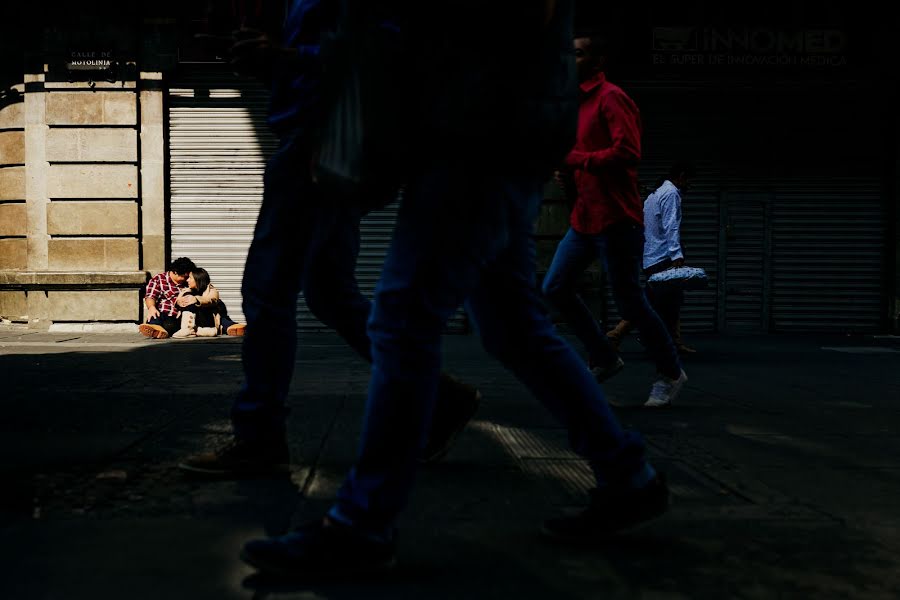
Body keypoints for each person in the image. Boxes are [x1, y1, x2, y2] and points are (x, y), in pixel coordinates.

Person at [238, 1, 670, 578]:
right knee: (513, 327)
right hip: (492, 131)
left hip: (477, 133)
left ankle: (362, 524)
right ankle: (627, 474)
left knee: (404, 318)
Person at [178, 0, 481, 477]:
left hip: (319, 144)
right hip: (320, 140)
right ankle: (439, 397)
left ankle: (259, 436)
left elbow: (382, 54)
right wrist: (270, 63)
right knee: (331, 295)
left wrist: (286, 57)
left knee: (267, 288)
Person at [539, 31, 687, 408]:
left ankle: (671, 373)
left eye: (578, 54)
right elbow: (578, 154)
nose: (568, 60)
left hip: (617, 218)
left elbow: (628, 152)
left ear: (597, 61)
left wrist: (576, 161)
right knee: (555, 287)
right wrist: (568, 173)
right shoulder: (573, 103)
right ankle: (604, 357)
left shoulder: (612, 98)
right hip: (584, 217)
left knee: (631, 303)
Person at [607, 163, 697, 355]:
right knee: (651, 301)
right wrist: (676, 255)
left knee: (672, 301)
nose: (690, 185)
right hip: (663, 258)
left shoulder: (654, 195)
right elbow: (670, 225)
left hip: (651, 257)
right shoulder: (671, 194)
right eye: (689, 180)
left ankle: (673, 342)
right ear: (681, 176)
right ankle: (616, 334)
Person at [171, 267, 247, 338]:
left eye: (190, 278)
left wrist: (196, 299)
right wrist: (179, 302)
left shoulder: (211, 289)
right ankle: (200, 331)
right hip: (192, 322)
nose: (187, 280)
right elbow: (178, 303)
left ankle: (189, 330)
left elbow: (212, 299)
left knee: (192, 301)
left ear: (197, 279)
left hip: (206, 319)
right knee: (187, 298)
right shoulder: (187, 290)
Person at [138, 257, 196, 339]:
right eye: (184, 277)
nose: (186, 280)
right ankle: (155, 328)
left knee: (170, 324)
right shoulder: (159, 279)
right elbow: (151, 296)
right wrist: (151, 307)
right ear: (175, 272)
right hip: (162, 313)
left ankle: (161, 330)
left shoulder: (189, 283)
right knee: (154, 316)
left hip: (178, 316)